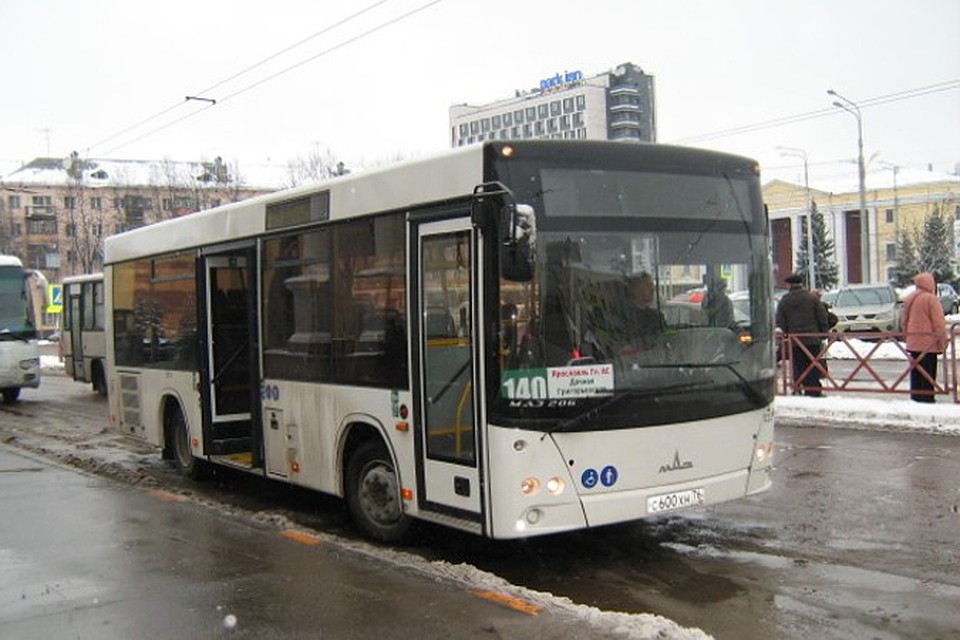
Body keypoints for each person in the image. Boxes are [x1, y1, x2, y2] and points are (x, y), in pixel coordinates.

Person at [776, 273, 830, 396]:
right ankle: (814, 389)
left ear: (789, 285)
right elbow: (822, 316)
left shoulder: (785, 301)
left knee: (798, 365)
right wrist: (823, 334)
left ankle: (797, 387)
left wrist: (783, 335)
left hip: (795, 341)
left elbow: (780, 321)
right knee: (812, 364)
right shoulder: (812, 298)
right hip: (812, 339)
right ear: (800, 284)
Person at [900, 272, 948, 403]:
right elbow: (938, 323)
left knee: (916, 372)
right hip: (929, 344)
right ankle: (927, 398)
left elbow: (904, 320)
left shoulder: (909, 298)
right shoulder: (932, 299)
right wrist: (943, 342)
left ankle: (916, 397)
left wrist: (907, 337)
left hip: (913, 342)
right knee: (928, 373)